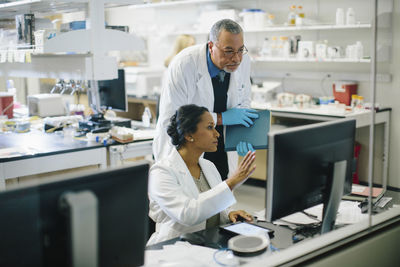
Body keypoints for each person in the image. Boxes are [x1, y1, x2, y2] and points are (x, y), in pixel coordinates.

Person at [153, 19, 259, 180]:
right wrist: (221, 118)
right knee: (191, 194)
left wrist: (242, 135)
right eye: (228, 51)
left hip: (220, 144)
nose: (236, 58)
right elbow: (176, 118)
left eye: (240, 50)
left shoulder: (243, 62)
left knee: (222, 193)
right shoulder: (184, 64)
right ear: (211, 46)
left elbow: (243, 101)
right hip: (187, 145)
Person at [147, 104, 256, 245]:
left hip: (208, 242)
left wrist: (228, 214)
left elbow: (213, 205)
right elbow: (187, 214)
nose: (217, 134)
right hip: (175, 248)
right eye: (210, 127)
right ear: (188, 135)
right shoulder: (161, 172)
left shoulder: (208, 166)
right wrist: (231, 183)